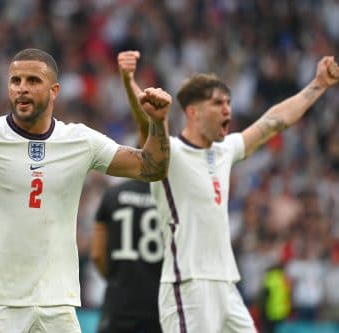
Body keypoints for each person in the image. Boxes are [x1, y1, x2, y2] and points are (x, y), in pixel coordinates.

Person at [0, 48, 172, 333]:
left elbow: (151, 169)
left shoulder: (80, 140)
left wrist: (158, 123)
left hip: (56, 304)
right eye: (15, 81)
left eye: (32, 81)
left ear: (54, 90)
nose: (22, 89)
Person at [117, 50, 339, 333]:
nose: (228, 111)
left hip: (226, 287)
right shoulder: (169, 152)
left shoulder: (225, 150)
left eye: (229, 103)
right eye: (218, 103)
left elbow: (274, 120)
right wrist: (128, 80)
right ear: (193, 113)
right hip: (188, 285)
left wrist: (318, 84)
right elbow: (145, 122)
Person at [91, 176, 163, 333]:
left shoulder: (112, 194)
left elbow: (97, 253)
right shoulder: (171, 197)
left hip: (120, 300)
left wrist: (116, 277)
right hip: (161, 303)